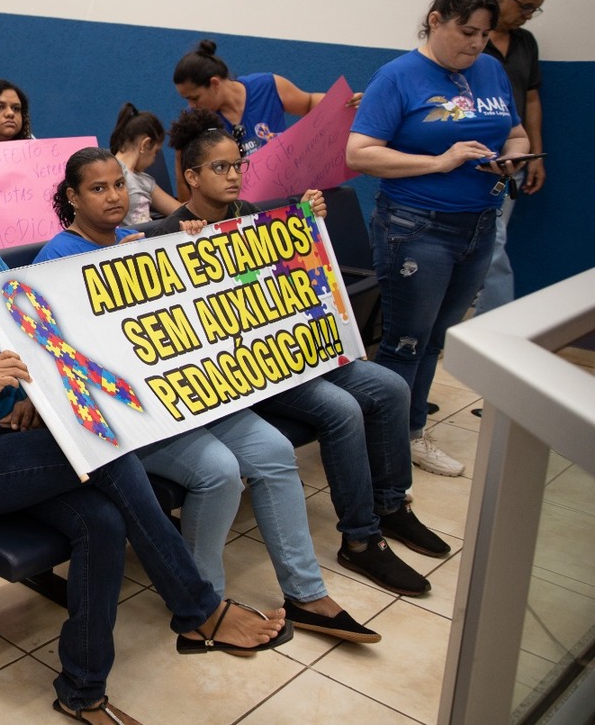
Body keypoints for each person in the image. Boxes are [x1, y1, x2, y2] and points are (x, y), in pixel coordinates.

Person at [0, 145, 289, 721]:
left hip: (12, 440)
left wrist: (31, 399)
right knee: (107, 451)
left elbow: (35, 349)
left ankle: (82, 691)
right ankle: (197, 608)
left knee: (102, 521)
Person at [36, 147, 388, 637]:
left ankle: (307, 594)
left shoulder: (137, 239)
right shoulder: (54, 259)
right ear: (73, 197)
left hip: (187, 393)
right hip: (131, 415)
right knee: (219, 470)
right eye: (98, 188)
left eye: (119, 184)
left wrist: (192, 253)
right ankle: (205, 605)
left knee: (275, 450)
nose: (114, 196)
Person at [151, 110, 449, 592]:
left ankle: (391, 505)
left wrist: (308, 224)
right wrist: (182, 256)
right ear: (190, 176)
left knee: (391, 387)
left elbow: (294, 282)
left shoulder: (253, 218)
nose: (233, 176)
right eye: (219, 168)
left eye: (237, 166)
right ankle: (360, 539)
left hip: (296, 352)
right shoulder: (167, 235)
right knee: (342, 409)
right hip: (246, 371)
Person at [347, 0, 530, 478]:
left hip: (478, 225)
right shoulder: (399, 76)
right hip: (416, 226)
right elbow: (359, 153)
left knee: (433, 340)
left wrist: (513, 159)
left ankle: (408, 432)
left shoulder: (490, 70)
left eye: (484, 34)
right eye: (466, 31)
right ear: (436, 21)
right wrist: (439, 161)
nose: (476, 44)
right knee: (404, 340)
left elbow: (514, 132)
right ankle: (381, 449)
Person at [171, 40, 357, 191]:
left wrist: (350, 103)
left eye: (194, 98)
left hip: (288, 193)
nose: (191, 106)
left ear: (214, 83)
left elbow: (309, 103)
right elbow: (184, 180)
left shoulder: (268, 86)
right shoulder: (193, 122)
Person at [473, 0, 547, 320]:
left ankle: (482, 323)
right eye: (526, 6)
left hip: (514, 158)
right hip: (477, 159)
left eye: (535, 10)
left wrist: (534, 153)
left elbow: (531, 100)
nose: (528, 15)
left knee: (492, 241)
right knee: (494, 242)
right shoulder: (471, 41)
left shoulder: (525, 42)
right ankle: (497, 326)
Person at [108, 102, 179, 224]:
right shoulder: (109, 172)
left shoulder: (145, 180)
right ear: (145, 144)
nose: (154, 160)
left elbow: (180, 211)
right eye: (155, 152)